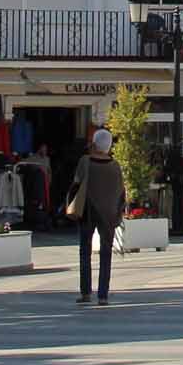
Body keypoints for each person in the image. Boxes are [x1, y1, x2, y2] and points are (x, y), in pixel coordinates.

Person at [70, 128, 126, 307]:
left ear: (94, 143)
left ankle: (86, 292)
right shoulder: (115, 166)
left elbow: (76, 184)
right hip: (109, 215)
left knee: (85, 252)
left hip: (88, 212)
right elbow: (121, 192)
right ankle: (103, 295)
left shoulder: (85, 162)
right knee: (106, 254)